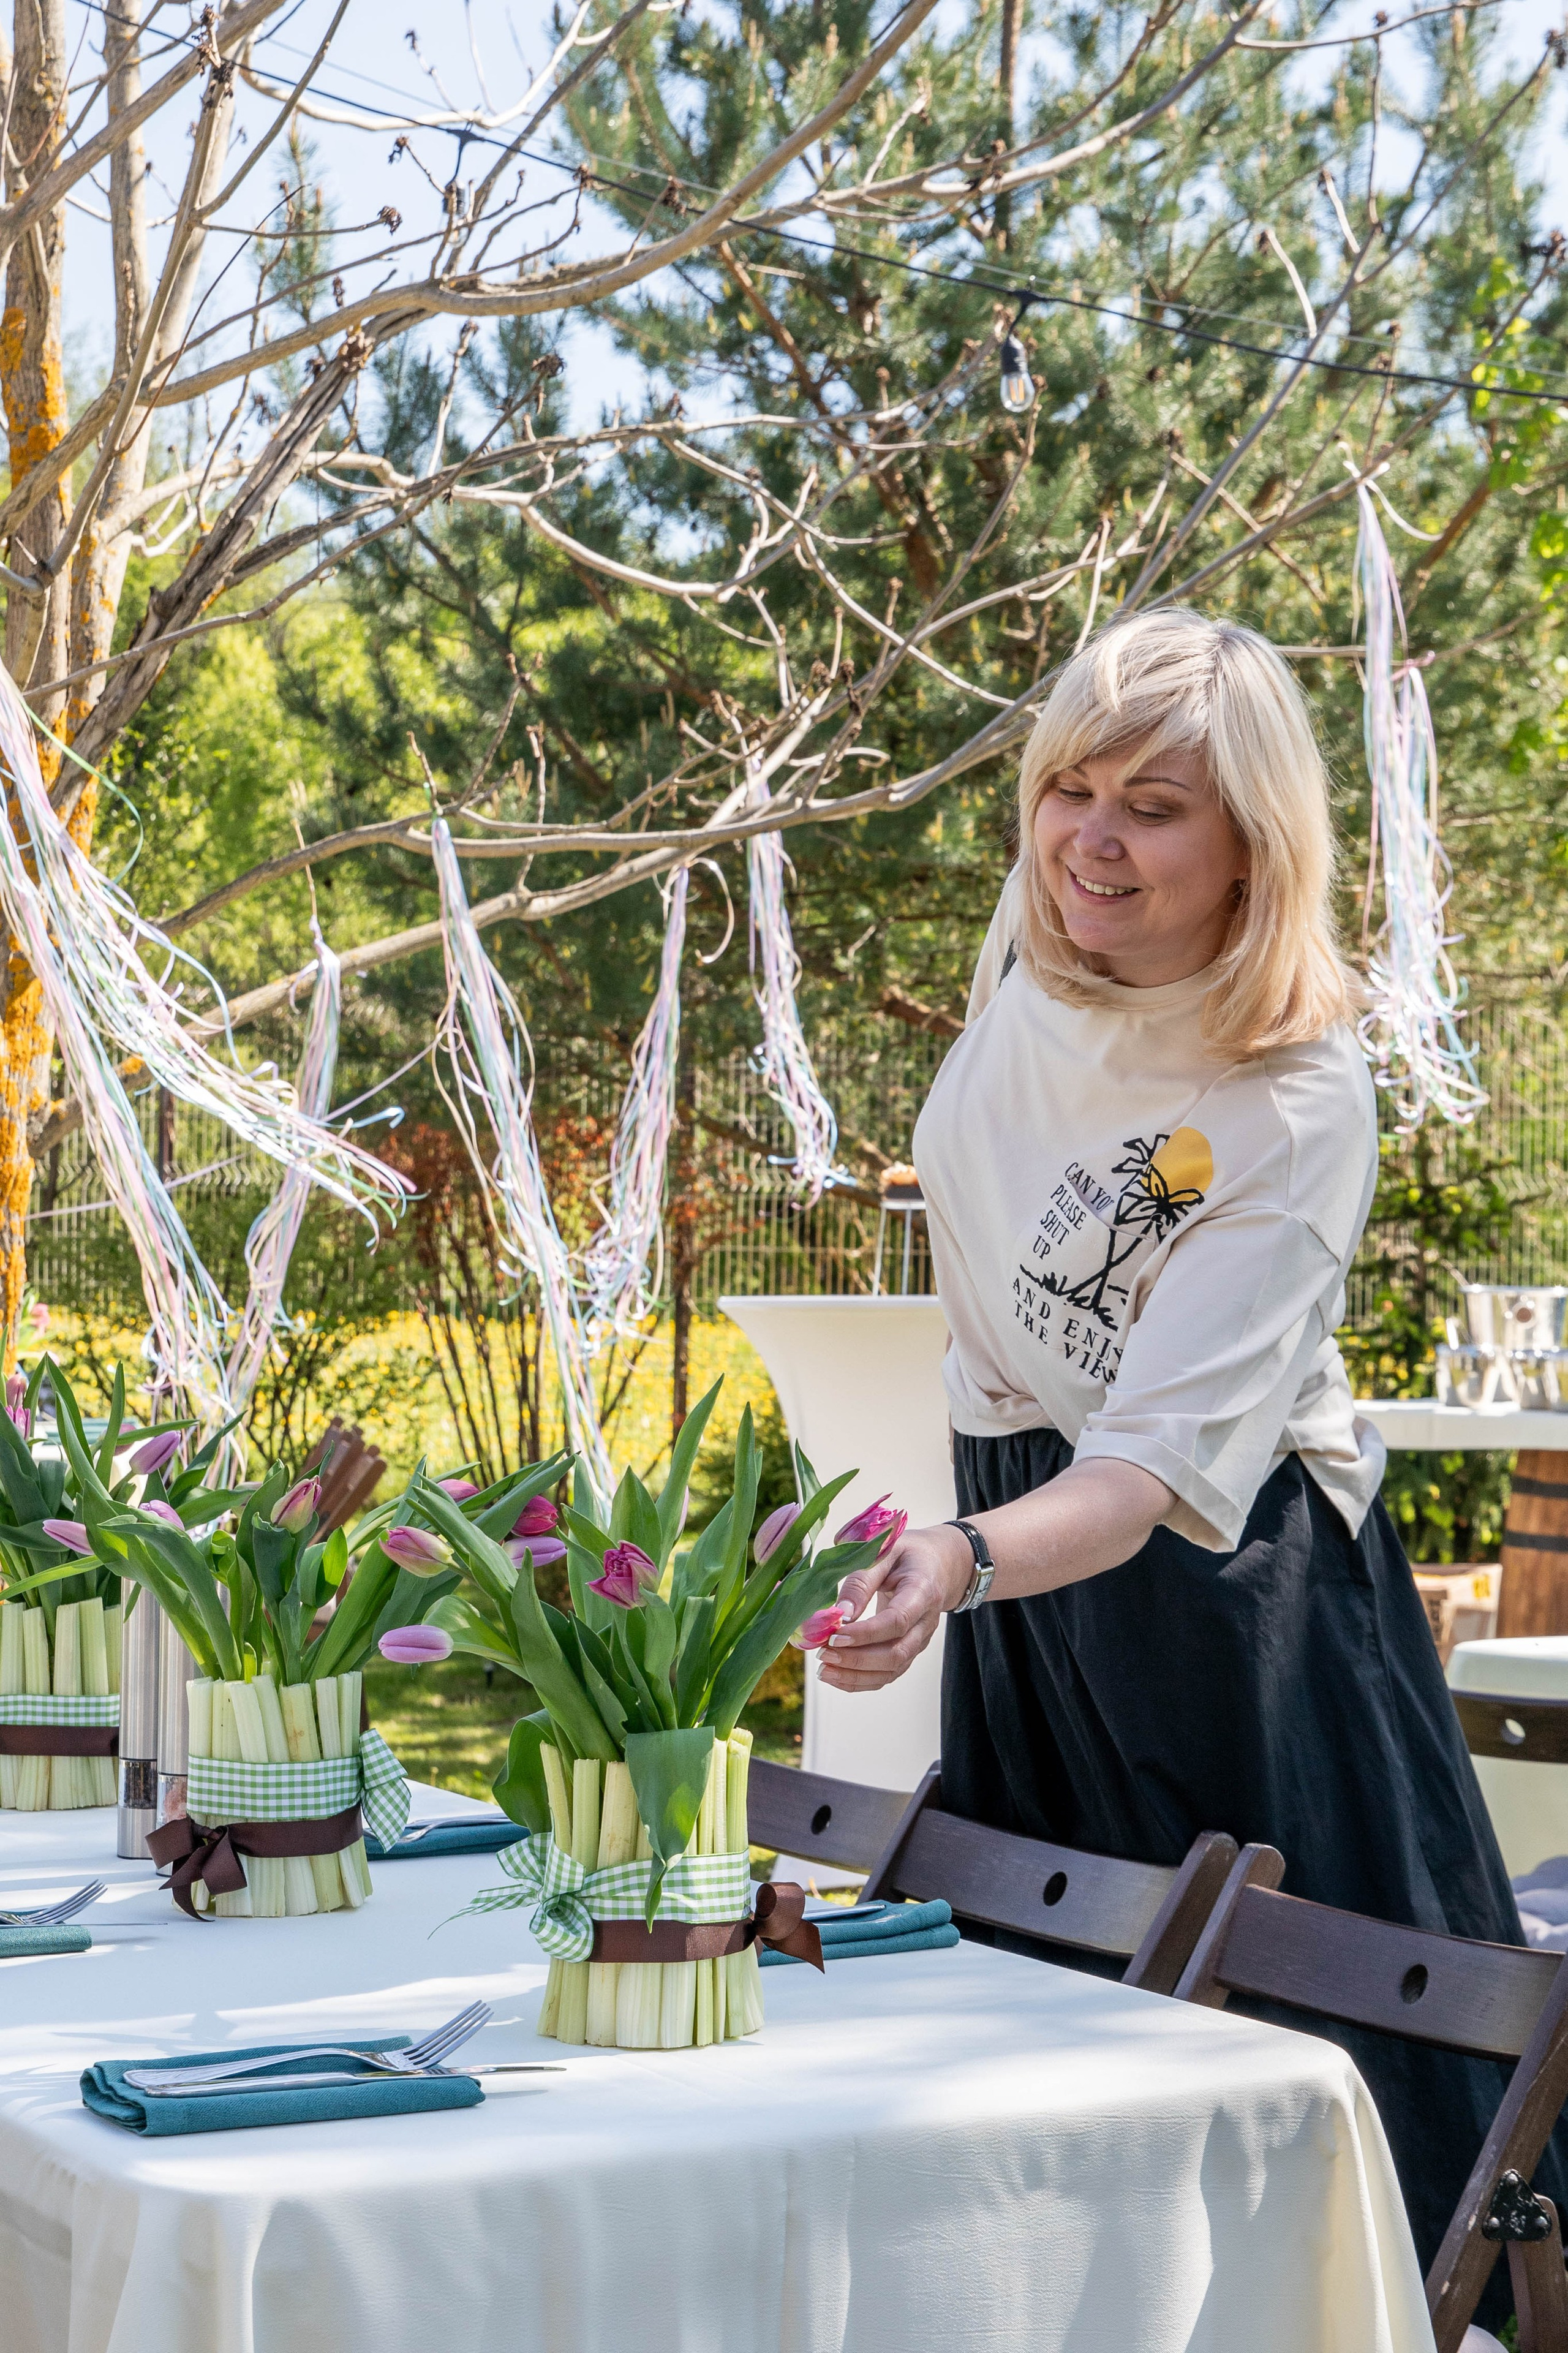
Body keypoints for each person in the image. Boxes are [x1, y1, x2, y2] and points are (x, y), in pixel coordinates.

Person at [818, 608, 1542, 2312]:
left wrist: (960, 1557)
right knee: (1038, 2071)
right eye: (1071, 786)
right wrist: (970, 1549)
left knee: (1331, 2091)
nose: (1092, 839)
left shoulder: (1296, 1093)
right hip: (1021, 1548)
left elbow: (1150, 1473)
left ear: (1250, 851)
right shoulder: (1038, 944)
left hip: (1234, 1602)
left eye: (1155, 806)